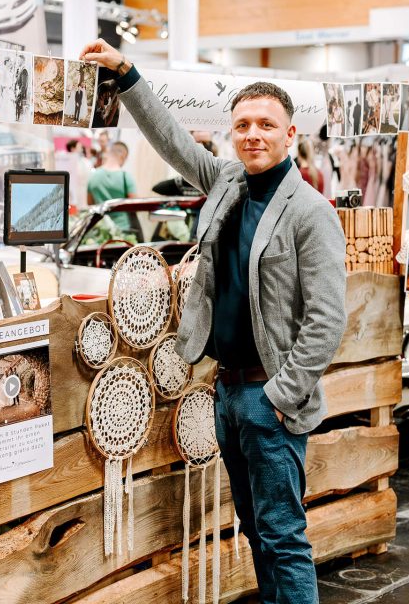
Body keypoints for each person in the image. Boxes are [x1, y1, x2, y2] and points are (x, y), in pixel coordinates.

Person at [81, 38, 346, 604]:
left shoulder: (311, 211)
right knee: (255, 528)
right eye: (243, 125)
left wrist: (281, 396)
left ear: (289, 134)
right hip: (225, 390)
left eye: (266, 125)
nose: (253, 134)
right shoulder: (227, 182)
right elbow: (171, 139)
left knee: (283, 535)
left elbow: (327, 320)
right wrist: (127, 74)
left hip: (269, 398)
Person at [87, 140, 137, 229]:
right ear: (123, 156)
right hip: (122, 229)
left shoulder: (93, 176)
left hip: (100, 228)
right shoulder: (126, 177)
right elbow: (134, 206)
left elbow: (90, 204)